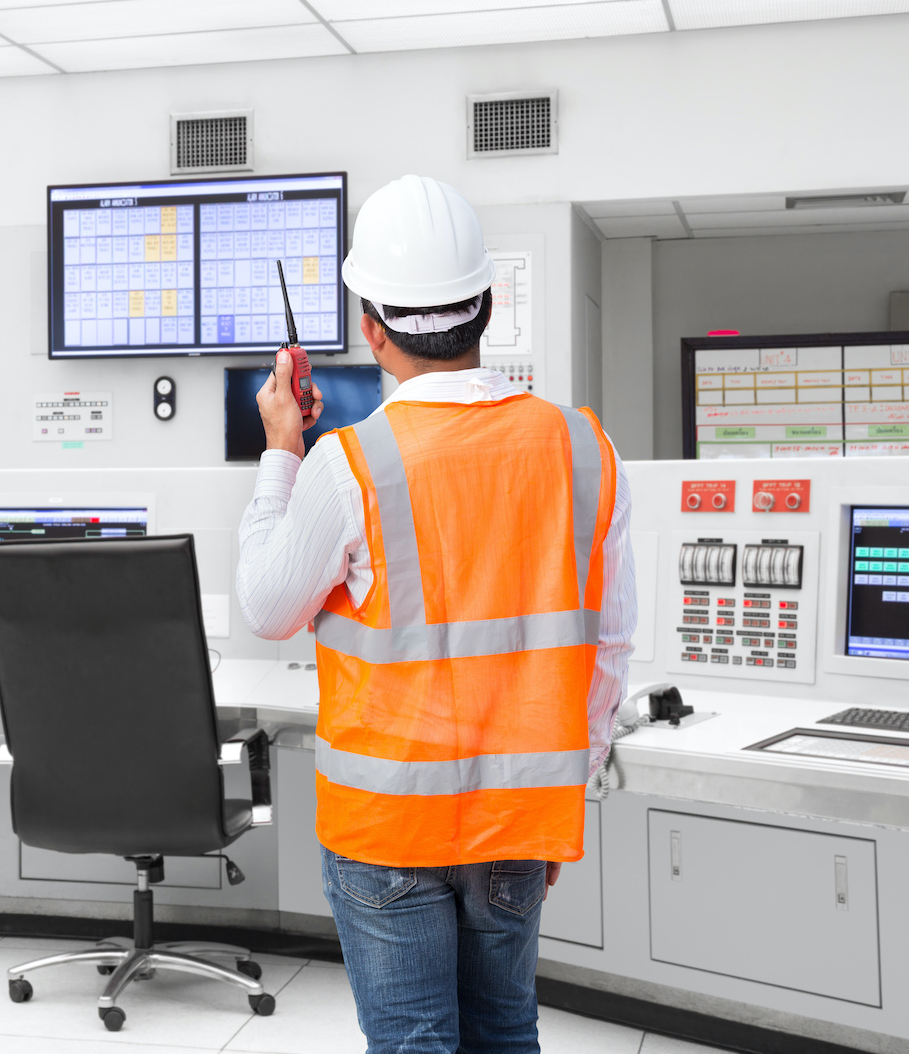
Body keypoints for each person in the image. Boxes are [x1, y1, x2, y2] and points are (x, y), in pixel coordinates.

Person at [236, 175, 635, 1054]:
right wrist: (558, 796)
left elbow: (266, 606)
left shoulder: (349, 465)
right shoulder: (582, 447)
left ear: (373, 330)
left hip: (387, 831)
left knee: (416, 1044)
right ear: (487, 304)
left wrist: (280, 451)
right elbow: (607, 649)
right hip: (517, 821)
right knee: (506, 1033)